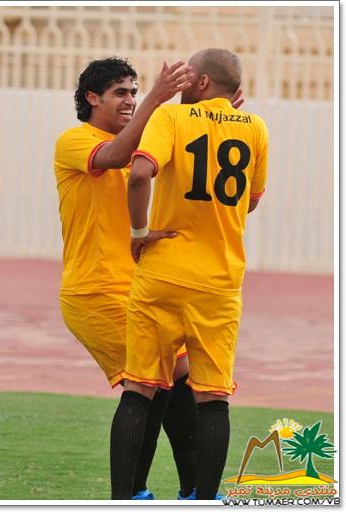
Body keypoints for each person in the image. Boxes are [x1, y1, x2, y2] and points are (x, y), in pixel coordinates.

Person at [109, 48, 268, 500]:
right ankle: (203, 501)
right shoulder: (255, 128)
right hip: (219, 281)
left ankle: (120, 501)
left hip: (162, 272)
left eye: (187, 76)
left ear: (200, 83)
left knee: (139, 389)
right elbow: (251, 200)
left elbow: (139, 175)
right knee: (213, 397)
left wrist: (139, 232)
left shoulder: (170, 118)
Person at [54, 57, 203, 500]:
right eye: (121, 92)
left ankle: (195, 490)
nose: (131, 100)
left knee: (180, 374)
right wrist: (158, 97)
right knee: (148, 381)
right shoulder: (75, 140)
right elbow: (116, 156)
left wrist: (208, 114)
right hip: (95, 291)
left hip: (139, 285)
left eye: (134, 92)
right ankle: (133, 494)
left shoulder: (141, 135)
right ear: (92, 98)